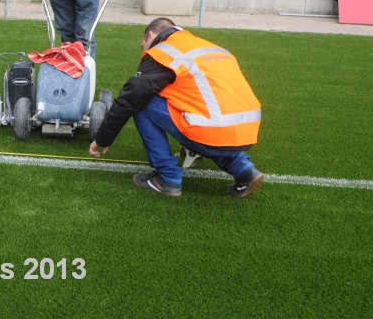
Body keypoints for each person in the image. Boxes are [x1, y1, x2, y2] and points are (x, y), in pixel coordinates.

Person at [89, 17, 264, 198]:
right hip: (245, 131)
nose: (145, 51)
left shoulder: (164, 52)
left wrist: (103, 138)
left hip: (211, 131)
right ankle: (244, 170)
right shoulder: (203, 45)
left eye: (143, 46)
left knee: (143, 102)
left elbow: (130, 98)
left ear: (150, 36)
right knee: (213, 128)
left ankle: (167, 178)